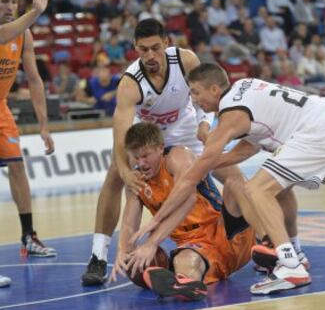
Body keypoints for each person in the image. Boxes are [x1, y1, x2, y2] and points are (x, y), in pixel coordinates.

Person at [132, 63, 325, 295]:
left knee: (257, 189)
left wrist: (155, 221)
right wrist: (206, 163)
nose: (194, 99)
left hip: (320, 130)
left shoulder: (231, 114)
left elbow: (192, 177)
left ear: (215, 90)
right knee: (279, 189)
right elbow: (245, 150)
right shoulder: (245, 89)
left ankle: (289, 264)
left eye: (196, 92)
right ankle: (295, 252)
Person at [81, 18, 235, 286]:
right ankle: (98, 255)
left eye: (155, 48)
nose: (150, 55)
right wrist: (126, 170)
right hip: (150, 133)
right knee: (115, 176)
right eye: (143, 50)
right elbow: (120, 136)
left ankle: (270, 243)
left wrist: (204, 124)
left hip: (187, 126)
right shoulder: (130, 83)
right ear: (135, 48)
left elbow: (202, 97)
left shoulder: (185, 60)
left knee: (233, 177)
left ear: (166, 43)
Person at [110, 122, 255, 300]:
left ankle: (270, 244)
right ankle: (185, 283)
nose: (141, 163)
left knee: (235, 183)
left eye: (146, 155)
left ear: (160, 148)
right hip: (196, 247)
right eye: (136, 157)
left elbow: (189, 199)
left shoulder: (177, 157)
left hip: (225, 230)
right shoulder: (136, 181)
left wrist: (152, 243)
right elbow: (128, 223)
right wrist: (123, 251)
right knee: (178, 262)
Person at [0, 0, 56, 287]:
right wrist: (36, 10)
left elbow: (34, 80)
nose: (8, 6)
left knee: (18, 168)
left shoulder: (25, 36)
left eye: (12, 1)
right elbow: (4, 33)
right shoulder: (11, 30)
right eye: (2, 1)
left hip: (1, 108)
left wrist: (44, 125)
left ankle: (28, 237)